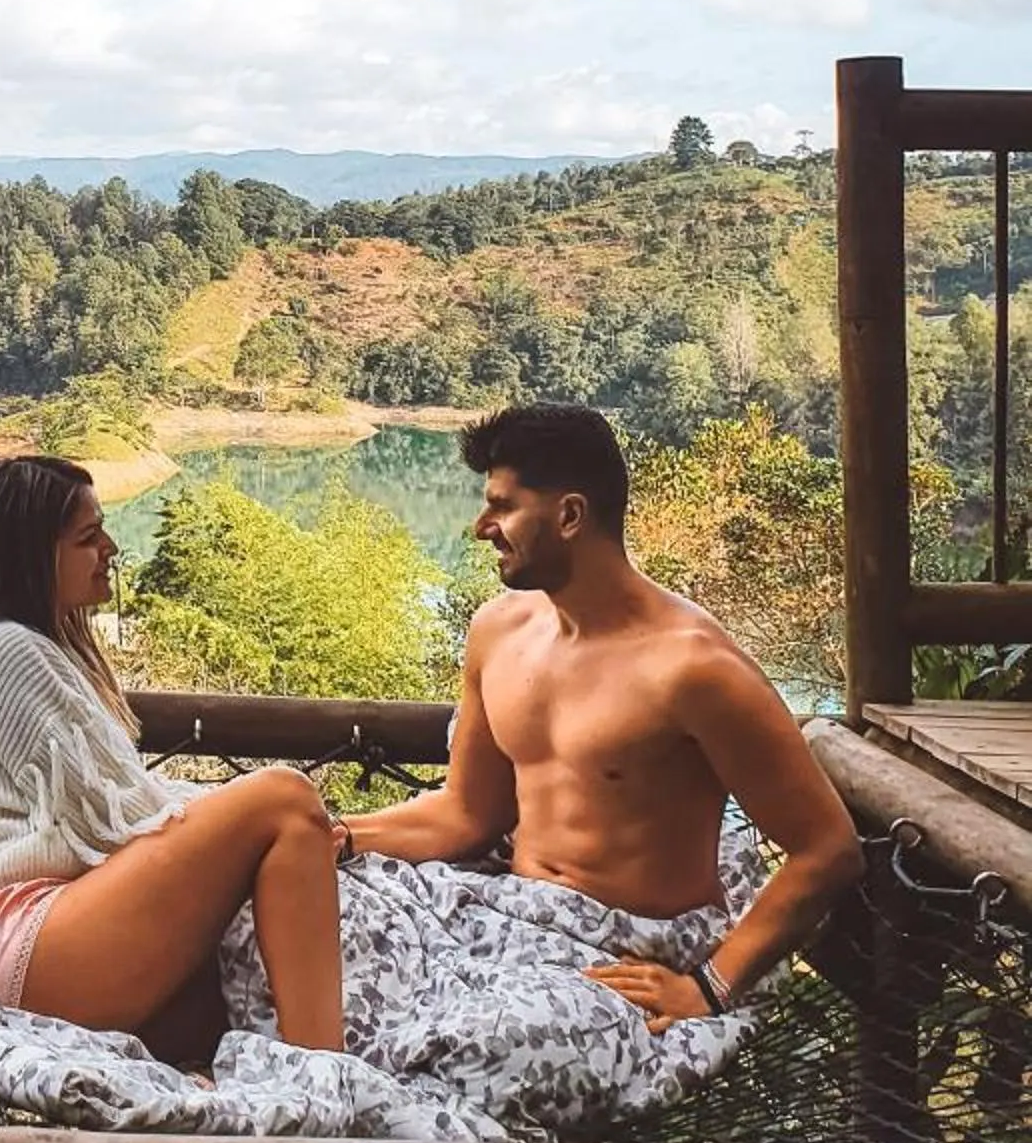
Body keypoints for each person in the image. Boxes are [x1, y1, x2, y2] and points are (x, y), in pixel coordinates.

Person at [342, 402, 862, 1028]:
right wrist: (340, 834)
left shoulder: (693, 668)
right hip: (510, 916)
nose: (481, 527)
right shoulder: (498, 632)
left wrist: (710, 987)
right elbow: (466, 814)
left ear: (569, 516)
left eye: (503, 507)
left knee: (461, 1040)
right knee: (276, 899)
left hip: (621, 953)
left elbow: (828, 849)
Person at [0, 453, 345, 1054]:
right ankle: (328, 1078)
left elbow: (121, 802)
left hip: (58, 935)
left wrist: (221, 825)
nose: (110, 547)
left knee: (231, 1007)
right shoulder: (2, 650)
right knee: (284, 798)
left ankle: (301, 1077)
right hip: (33, 935)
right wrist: (236, 827)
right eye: (88, 536)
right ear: (34, 553)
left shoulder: (40, 645)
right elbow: (115, 819)